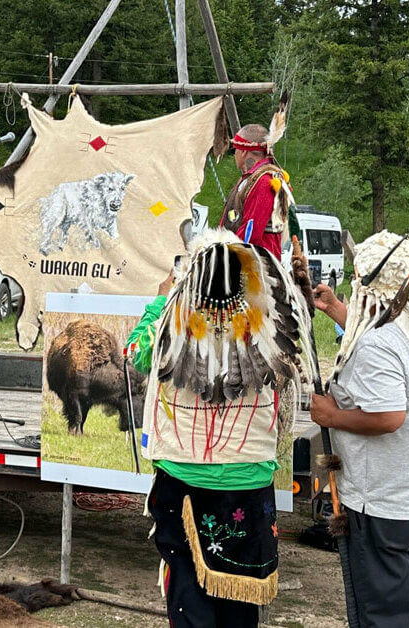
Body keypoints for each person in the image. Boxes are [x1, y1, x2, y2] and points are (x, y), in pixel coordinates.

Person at [125, 228, 318, 627]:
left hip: (183, 475)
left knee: (189, 592)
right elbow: (301, 328)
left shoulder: (172, 322)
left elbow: (137, 353)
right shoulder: (270, 324)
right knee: (239, 596)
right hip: (249, 476)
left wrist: (161, 299)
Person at [310, 231, 409, 627]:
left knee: (382, 620)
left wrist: (331, 416)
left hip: (386, 507)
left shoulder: (378, 343)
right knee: (402, 616)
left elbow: (389, 417)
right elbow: (381, 339)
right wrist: (338, 310)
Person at [220, 119, 292, 260]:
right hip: (245, 257)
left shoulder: (265, 182)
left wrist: (226, 255)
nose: (235, 155)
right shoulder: (252, 179)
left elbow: (252, 233)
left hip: (258, 264)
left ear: (243, 152)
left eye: (235, 150)